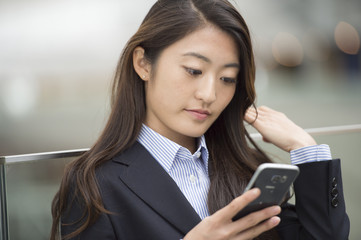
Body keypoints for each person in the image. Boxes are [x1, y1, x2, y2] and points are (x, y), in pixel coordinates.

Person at [50, 0, 350, 239]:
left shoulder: (245, 168)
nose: (209, 94)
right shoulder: (95, 184)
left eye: (227, 78)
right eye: (194, 70)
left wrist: (306, 147)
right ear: (143, 63)